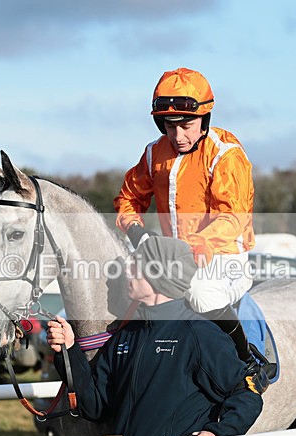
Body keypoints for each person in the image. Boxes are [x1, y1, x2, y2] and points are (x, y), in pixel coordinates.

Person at [46, 237, 263, 436]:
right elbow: (95, 406)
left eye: (136, 265)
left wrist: (216, 434)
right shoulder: (126, 336)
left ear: (159, 274)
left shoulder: (199, 333)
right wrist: (69, 351)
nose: (128, 272)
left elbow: (247, 393)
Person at [113, 67, 257, 364]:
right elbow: (128, 198)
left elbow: (232, 216)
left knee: (200, 293)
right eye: (169, 125)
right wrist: (137, 231)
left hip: (222, 256)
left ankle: (246, 361)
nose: (178, 135)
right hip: (170, 258)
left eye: (186, 125)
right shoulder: (154, 153)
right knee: (121, 290)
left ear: (204, 118)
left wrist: (196, 246)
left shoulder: (226, 154)